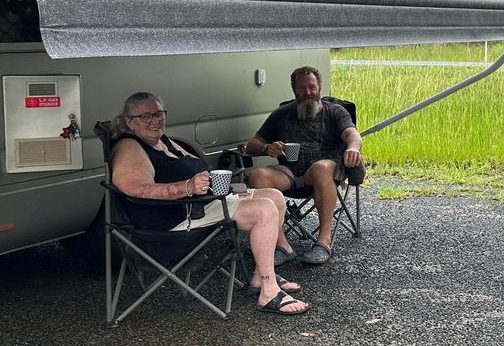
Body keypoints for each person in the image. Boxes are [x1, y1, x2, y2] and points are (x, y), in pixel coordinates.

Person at [111, 92, 309, 316]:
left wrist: (221, 185)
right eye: (145, 116)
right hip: (172, 219)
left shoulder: (163, 141)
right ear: (129, 121)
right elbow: (134, 188)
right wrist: (187, 187)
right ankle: (269, 292)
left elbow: (196, 166)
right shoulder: (130, 146)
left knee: (275, 196)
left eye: (159, 114)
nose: (155, 121)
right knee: (263, 210)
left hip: (199, 204)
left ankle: (260, 276)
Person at [244, 66, 364, 266]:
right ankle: (282, 245)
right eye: (302, 88)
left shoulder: (335, 112)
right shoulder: (282, 113)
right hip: (290, 172)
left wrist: (353, 147)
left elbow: (352, 133)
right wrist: (266, 148)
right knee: (257, 176)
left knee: (321, 168)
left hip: (322, 173)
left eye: (312, 87)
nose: (308, 92)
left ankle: (324, 242)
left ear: (319, 87)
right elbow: (251, 145)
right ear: (294, 90)